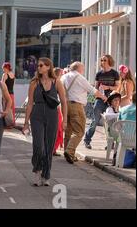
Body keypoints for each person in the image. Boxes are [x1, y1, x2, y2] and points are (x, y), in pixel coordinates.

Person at [23, 57, 67, 186]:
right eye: (38, 65)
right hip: (36, 115)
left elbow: (64, 102)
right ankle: (37, 170)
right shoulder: (34, 83)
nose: (39, 67)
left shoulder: (56, 82)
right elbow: (30, 104)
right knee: (38, 146)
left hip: (52, 114)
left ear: (48, 67)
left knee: (49, 146)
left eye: (41, 65)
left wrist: (64, 120)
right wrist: (26, 122)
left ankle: (46, 174)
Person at [61, 62, 106, 164]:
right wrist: (103, 97)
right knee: (79, 131)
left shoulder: (64, 77)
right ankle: (70, 151)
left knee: (68, 130)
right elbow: (92, 90)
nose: (84, 70)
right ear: (78, 68)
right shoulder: (79, 77)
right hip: (76, 105)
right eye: (83, 68)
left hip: (64, 105)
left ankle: (68, 152)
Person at [84, 55, 120, 149]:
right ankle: (87, 141)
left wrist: (108, 87)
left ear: (109, 61)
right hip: (99, 100)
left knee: (110, 123)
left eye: (105, 60)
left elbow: (117, 87)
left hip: (111, 101)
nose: (102, 62)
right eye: (101, 60)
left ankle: (110, 144)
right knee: (95, 121)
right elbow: (95, 88)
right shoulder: (99, 73)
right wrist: (98, 92)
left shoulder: (115, 73)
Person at [52, 68, 64, 156]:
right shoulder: (57, 82)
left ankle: (52, 149)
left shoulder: (50, 81)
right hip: (56, 108)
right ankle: (53, 149)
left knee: (55, 129)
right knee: (57, 129)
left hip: (54, 107)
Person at [1, 62, 15, 128]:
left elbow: (2, 84)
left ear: (6, 68)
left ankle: (6, 123)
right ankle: (12, 123)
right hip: (12, 93)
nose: (3, 69)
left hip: (6, 93)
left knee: (5, 107)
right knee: (11, 108)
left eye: (3, 68)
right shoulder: (13, 74)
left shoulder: (5, 74)